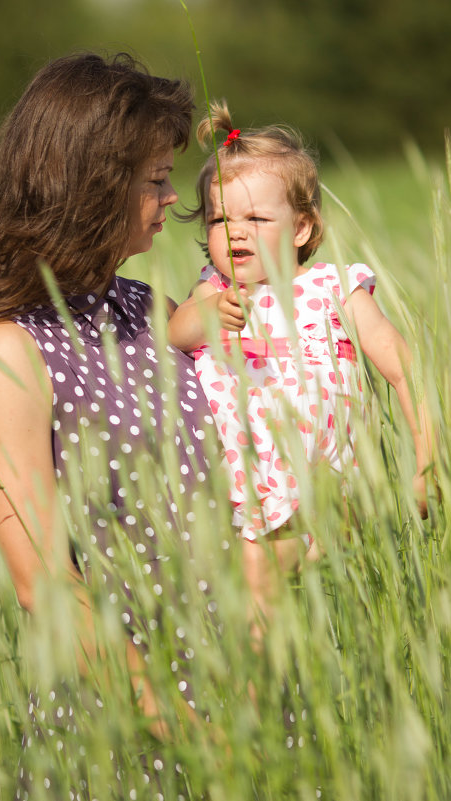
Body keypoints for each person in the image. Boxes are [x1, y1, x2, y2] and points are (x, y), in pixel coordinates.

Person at [0, 53, 220, 799]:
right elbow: (43, 581)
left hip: (238, 677)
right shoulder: (5, 350)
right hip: (123, 716)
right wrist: (182, 720)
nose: (172, 199)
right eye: (155, 179)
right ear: (91, 185)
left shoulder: (148, 310)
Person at [168, 101, 433, 575]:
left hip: (333, 485)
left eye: (257, 219)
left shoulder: (335, 289)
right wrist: (207, 313)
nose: (234, 234)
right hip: (249, 489)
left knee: (320, 582)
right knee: (261, 591)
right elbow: (175, 332)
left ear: (302, 227)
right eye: (218, 220)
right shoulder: (216, 289)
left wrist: (427, 460)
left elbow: (404, 368)